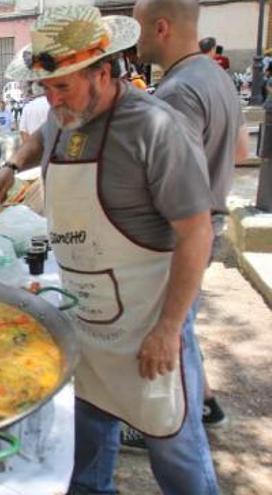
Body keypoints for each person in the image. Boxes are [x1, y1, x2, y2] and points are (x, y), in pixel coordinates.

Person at [0, 6, 218, 493]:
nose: (53, 101)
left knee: (175, 453)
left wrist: (170, 328)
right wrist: (11, 165)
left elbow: (198, 233)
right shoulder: (64, 116)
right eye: (45, 90)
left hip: (147, 331)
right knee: (86, 451)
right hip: (88, 327)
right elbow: (40, 137)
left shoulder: (156, 129)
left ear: (103, 70)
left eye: (63, 87)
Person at [129, 0, 251, 444]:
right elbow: (239, 151)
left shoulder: (177, 93)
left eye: (139, 29)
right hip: (211, 223)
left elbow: (176, 182)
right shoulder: (217, 75)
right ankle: (205, 402)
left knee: (169, 328)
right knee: (185, 323)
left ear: (161, 28)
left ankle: (173, 421)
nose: (136, 39)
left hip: (183, 235)